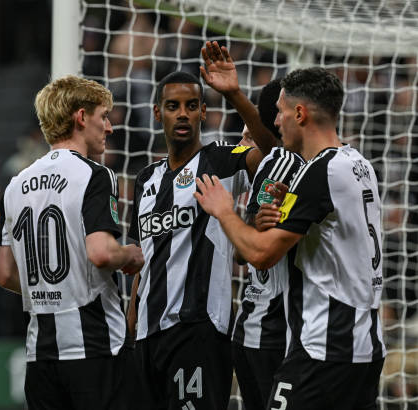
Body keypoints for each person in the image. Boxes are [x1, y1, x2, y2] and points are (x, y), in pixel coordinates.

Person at [194, 66, 386, 409]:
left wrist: (223, 210)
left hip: (324, 350)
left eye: (280, 112)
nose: (275, 121)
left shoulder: (320, 172)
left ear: (299, 114)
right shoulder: (359, 164)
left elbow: (260, 254)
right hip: (365, 346)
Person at [127, 40, 277, 409]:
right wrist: (131, 326)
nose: (183, 114)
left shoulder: (221, 160)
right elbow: (143, 259)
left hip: (198, 330)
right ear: (157, 112)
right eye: (173, 106)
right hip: (146, 335)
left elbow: (273, 152)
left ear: (203, 112)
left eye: (191, 106)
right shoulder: (145, 180)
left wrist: (235, 94)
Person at [0, 75, 144, 410]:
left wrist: (52, 291)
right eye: (103, 116)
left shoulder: (15, 184)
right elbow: (101, 252)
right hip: (95, 347)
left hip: (40, 355)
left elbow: (4, 274)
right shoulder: (94, 175)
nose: (109, 127)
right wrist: (130, 254)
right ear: (81, 117)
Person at [230, 78, 305, 410]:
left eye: (250, 137)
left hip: (268, 331)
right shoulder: (280, 163)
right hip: (270, 331)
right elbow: (245, 250)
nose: (243, 145)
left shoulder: (295, 163)